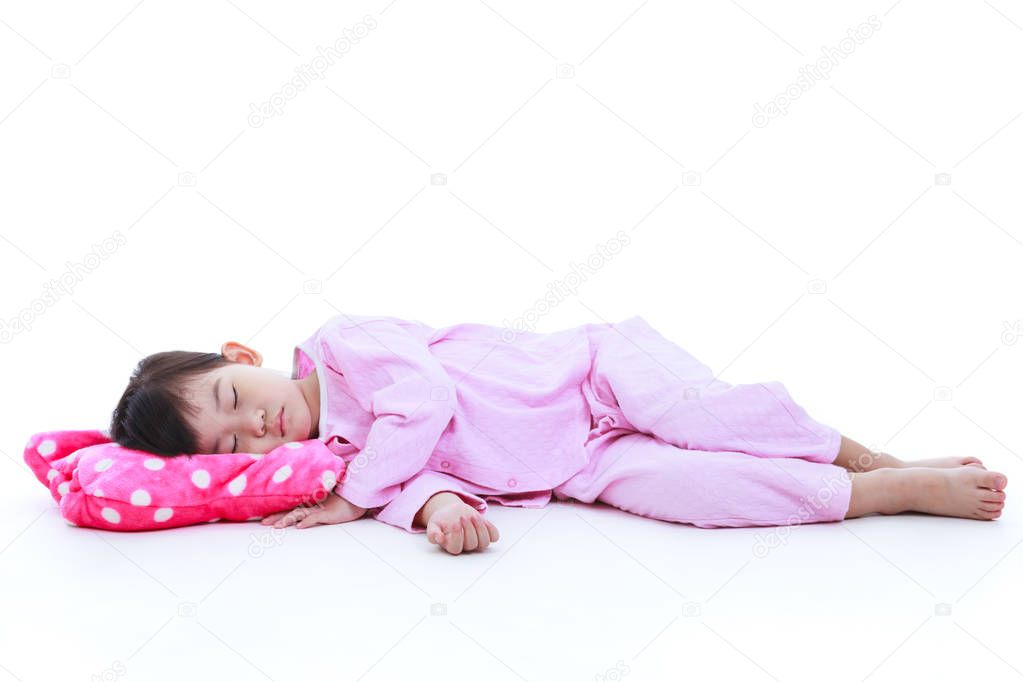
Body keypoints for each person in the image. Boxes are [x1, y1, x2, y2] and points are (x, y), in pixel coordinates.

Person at [109, 313, 1007, 555]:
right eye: (230, 450)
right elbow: (406, 482)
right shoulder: (338, 460)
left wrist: (356, 498)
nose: (255, 427)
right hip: (580, 462)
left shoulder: (347, 349)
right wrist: (441, 511)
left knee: (701, 417)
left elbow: (419, 401)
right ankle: (865, 495)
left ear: (243, 352)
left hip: (590, 372)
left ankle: (865, 452)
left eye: (233, 394)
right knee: (688, 496)